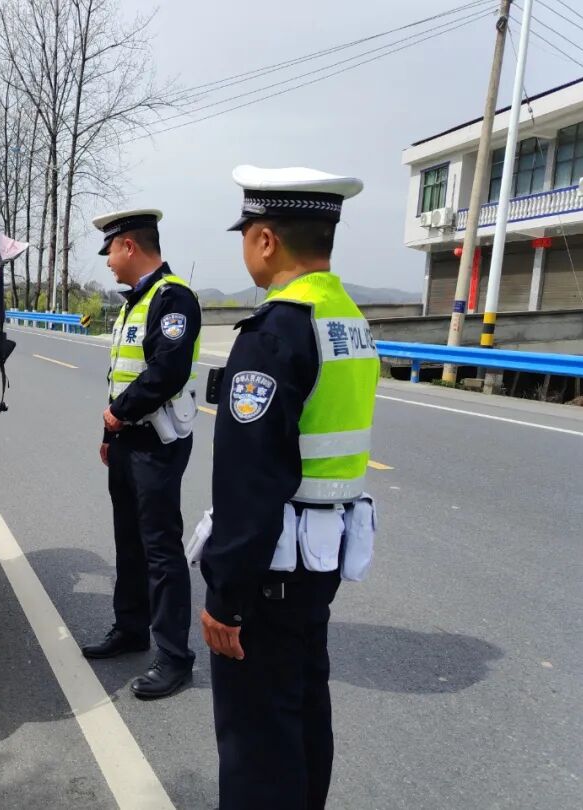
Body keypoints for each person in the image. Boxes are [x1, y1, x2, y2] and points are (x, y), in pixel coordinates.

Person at [199, 166, 380, 809]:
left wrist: (225, 594)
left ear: (267, 240)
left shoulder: (277, 332)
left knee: (256, 742)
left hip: (271, 570)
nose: (244, 244)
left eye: (246, 231)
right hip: (320, 559)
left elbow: (252, 484)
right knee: (303, 714)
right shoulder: (347, 318)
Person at [80, 209, 202, 700]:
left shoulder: (173, 299)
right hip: (129, 439)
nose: (107, 262)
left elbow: (167, 372)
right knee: (128, 541)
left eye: (110, 251)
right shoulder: (135, 302)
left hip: (157, 442)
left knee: (160, 550)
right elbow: (125, 373)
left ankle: (174, 657)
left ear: (129, 246)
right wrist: (113, 434)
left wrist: (118, 415)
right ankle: (130, 629)